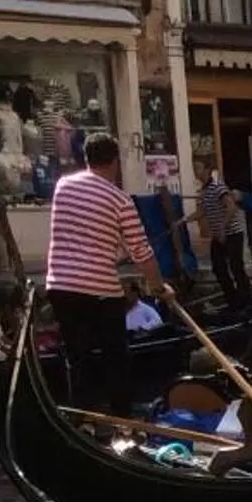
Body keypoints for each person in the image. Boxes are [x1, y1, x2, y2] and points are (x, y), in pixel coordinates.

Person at [45, 134, 163, 416]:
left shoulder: (62, 186)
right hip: (98, 290)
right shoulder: (119, 199)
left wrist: (111, 248)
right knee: (116, 357)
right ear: (114, 162)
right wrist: (158, 287)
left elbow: (85, 233)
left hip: (60, 285)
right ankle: (123, 418)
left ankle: (83, 419)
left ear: (86, 159)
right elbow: (141, 252)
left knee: (78, 358)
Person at [191, 154, 251, 315]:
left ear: (207, 170)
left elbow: (231, 207)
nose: (196, 171)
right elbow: (201, 212)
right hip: (219, 236)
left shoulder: (218, 187)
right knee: (218, 268)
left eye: (198, 168)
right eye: (194, 168)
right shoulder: (204, 191)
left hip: (232, 234)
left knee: (236, 267)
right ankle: (233, 300)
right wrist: (183, 221)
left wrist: (222, 228)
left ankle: (246, 302)